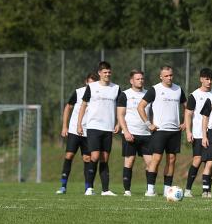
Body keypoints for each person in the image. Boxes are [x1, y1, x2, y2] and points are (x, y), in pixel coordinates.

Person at [138, 65, 186, 197]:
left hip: (175, 131)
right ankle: (150, 189)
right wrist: (148, 124)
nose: (169, 78)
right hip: (159, 131)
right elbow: (141, 107)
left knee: (171, 160)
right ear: (161, 77)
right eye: (166, 76)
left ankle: (167, 190)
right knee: (156, 159)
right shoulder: (155, 89)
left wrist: (186, 122)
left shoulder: (178, 89)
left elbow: (188, 107)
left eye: (171, 75)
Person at [77, 61, 120, 196]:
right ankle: (89, 188)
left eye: (109, 72)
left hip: (108, 127)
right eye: (105, 72)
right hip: (94, 126)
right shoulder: (92, 87)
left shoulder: (116, 88)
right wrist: (79, 124)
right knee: (94, 156)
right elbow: (83, 106)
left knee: (105, 158)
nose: (107, 74)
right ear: (99, 73)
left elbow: (120, 108)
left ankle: (105, 190)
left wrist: (118, 123)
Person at [56, 72, 97, 194]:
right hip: (74, 130)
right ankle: (63, 186)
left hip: (89, 131)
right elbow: (68, 107)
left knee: (87, 158)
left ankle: (88, 188)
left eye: (94, 84)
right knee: (69, 155)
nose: (91, 86)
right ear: (86, 82)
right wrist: (64, 126)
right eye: (90, 83)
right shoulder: (78, 92)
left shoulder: (98, 95)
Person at [116, 69, 153, 197]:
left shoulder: (149, 94)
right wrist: (125, 132)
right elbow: (120, 115)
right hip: (130, 133)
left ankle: (150, 190)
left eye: (142, 78)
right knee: (129, 161)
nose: (140, 81)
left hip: (146, 134)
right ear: (131, 81)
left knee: (151, 163)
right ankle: (127, 191)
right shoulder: (124, 94)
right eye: (137, 79)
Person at [184, 68, 212, 198]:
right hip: (197, 133)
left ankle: (205, 191)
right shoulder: (194, 95)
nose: (209, 82)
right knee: (197, 160)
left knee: (210, 161)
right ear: (201, 79)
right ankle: (187, 189)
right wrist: (188, 131)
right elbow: (188, 114)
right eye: (207, 79)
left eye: (211, 79)